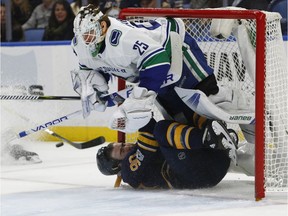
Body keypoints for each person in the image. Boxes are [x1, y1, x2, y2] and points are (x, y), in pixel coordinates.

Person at [70, 4, 250, 133]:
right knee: (179, 118)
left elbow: (158, 58)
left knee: (210, 98)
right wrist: (95, 92)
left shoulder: (124, 38)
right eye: (82, 35)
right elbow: (93, 68)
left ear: (102, 26)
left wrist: (143, 96)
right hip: (153, 70)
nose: (86, 40)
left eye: (89, 34)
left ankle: (246, 105)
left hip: (177, 50)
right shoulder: (80, 45)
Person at [96, 118, 237, 189]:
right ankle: (212, 139)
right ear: (117, 166)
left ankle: (218, 138)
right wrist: (134, 110)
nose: (126, 146)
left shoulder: (132, 156)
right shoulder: (128, 172)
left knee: (177, 107)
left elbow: (147, 123)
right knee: (161, 130)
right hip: (202, 176)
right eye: (122, 151)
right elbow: (150, 133)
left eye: (122, 145)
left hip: (212, 159)